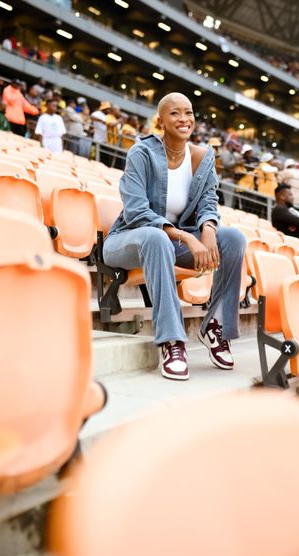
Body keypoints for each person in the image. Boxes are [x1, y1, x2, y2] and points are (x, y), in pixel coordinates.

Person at [103, 92, 246, 381]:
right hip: (127, 240)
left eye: (189, 113)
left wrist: (207, 230)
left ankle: (214, 325)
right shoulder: (141, 153)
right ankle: (172, 340)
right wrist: (187, 237)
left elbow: (208, 200)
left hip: (172, 244)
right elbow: (136, 211)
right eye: (175, 114)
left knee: (233, 239)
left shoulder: (203, 157)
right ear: (161, 121)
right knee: (157, 239)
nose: (184, 120)